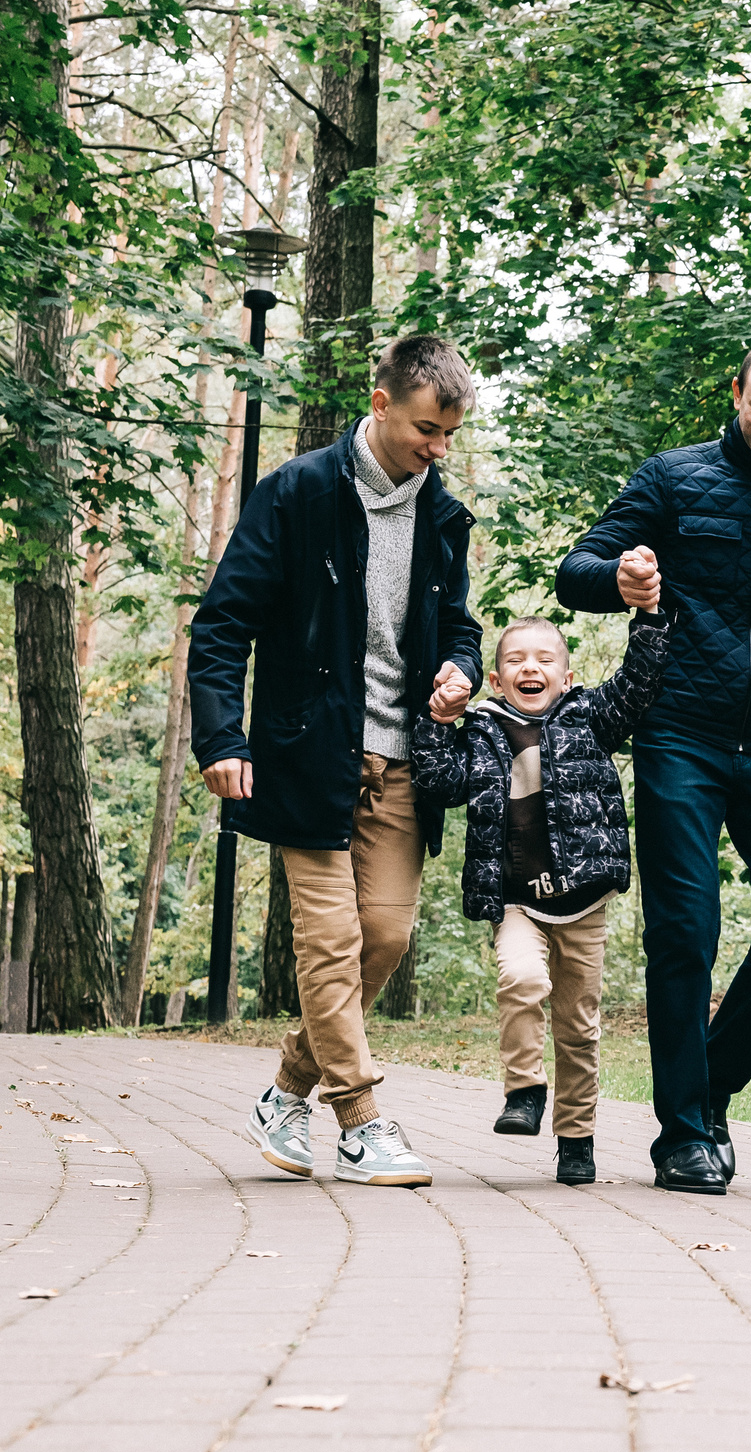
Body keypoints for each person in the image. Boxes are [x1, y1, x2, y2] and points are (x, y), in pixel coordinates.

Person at [556, 337, 751, 1195]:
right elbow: (573, 570)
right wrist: (620, 576)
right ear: (736, 394)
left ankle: (712, 1083)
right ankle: (685, 1136)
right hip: (680, 734)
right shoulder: (672, 476)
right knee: (684, 934)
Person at [190, 334, 484, 1187]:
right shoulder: (295, 493)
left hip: (402, 759)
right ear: (383, 401)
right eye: (428, 429)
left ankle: (287, 1087)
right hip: (306, 754)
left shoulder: (442, 515)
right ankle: (361, 1119)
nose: (437, 449)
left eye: (450, 437)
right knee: (330, 939)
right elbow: (220, 627)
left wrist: (461, 668)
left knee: (383, 937)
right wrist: (221, 738)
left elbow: (458, 625)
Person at [409, 607, 675, 1186]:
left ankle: (576, 1139)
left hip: (583, 901)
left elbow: (638, 683)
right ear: (497, 681)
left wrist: (650, 615)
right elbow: (440, 781)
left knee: (578, 1025)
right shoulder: (479, 731)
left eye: (545, 659)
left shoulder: (589, 718)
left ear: (567, 676)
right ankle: (525, 1090)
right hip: (514, 901)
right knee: (522, 980)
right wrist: (435, 720)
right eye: (515, 661)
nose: (531, 667)